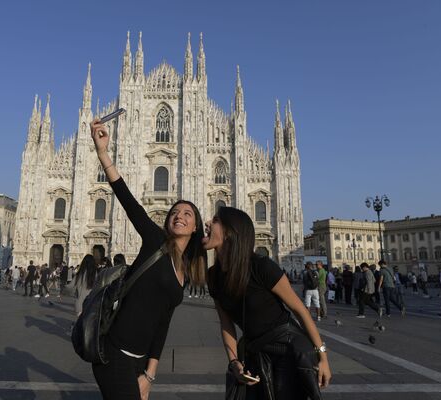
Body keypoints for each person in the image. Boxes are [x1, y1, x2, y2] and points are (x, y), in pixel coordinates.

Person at [90, 118, 208, 400]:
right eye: (175, 213)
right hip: (114, 351)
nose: (179, 215)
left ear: (195, 227)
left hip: (139, 361)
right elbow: (129, 201)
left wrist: (150, 374)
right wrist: (103, 153)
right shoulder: (155, 240)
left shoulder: (184, 272)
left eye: (187, 214)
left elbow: (163, 323)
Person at [204, 206, 331, 398]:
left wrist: (323, 357)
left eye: (214, 220)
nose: (207, 223)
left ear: (230, 232)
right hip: (254, 350)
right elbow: (226, 323)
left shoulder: (261, 266)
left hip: (288, 348)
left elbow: (299, 310)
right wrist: (234, 362)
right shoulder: (213, 276)